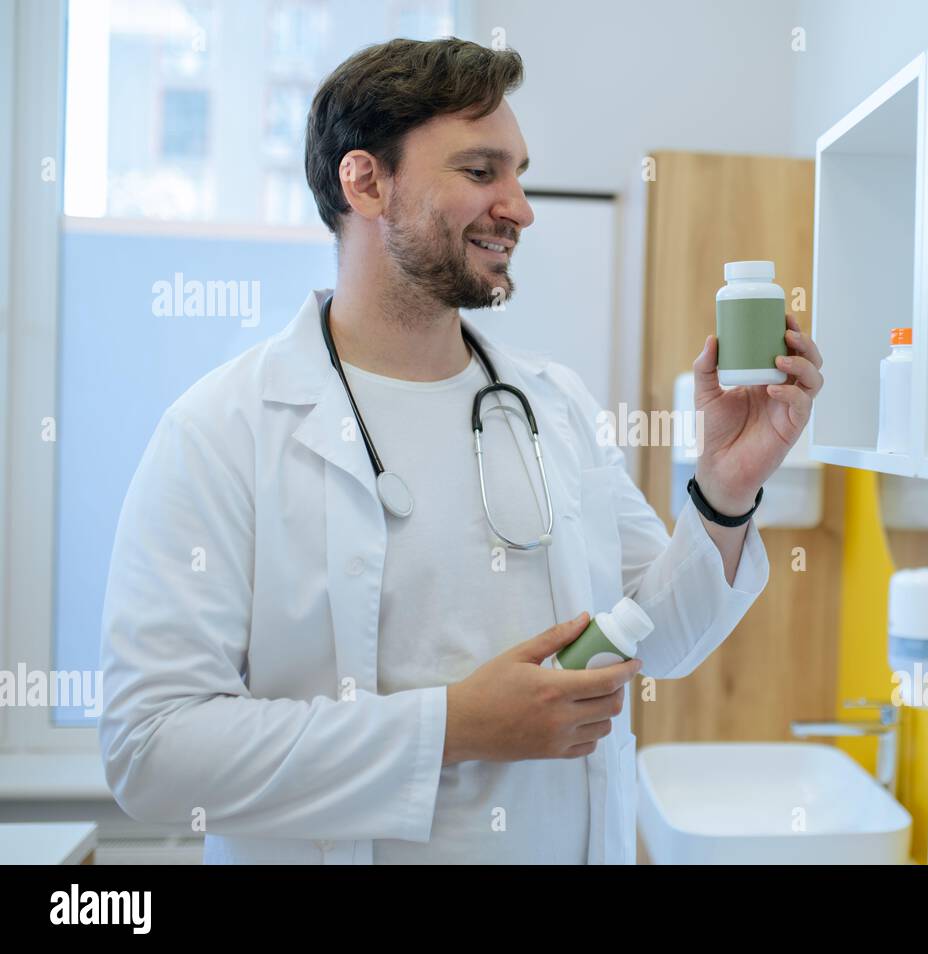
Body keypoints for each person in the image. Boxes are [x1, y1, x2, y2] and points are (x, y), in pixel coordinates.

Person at [99, 37, 824, 865]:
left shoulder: (553, 405)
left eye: (518, 174)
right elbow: (151, 751)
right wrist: (450, 728)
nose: (520, 208)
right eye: (482, 172)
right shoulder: (222, 432)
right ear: (365, 182)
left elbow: (656, 639)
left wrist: (726, 490)